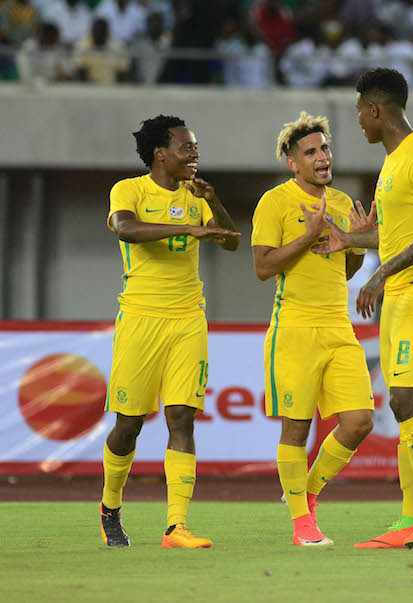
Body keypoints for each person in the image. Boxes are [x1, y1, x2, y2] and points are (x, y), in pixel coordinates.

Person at [313, 68, 413, 549]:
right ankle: (409, 518)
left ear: (375, 109)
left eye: (359, 110)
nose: (357, 119)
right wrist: (349, 239)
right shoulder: (393, 163)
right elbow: (392, 233)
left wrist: (378, 272)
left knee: (403, 398)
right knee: (403, 402)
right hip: (403, 291)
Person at [100, 115, 240, 549]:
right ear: (160, 153)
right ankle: (110, 507)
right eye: (187, 147)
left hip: (187, 320)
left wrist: (213, 202)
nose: (194, 153)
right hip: (140, 319)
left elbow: (231, 240)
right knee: (129, 426)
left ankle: (176, 526)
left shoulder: (197, 196)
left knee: (181, 417)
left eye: (195, 147)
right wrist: (188, 227)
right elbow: (126, 229)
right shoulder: (130, 190)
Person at [251, 111, 375, 547]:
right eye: (311, 152)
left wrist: (357, 241)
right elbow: (263, 267)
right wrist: (308, 236)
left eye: (325, 148)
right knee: (296, 431)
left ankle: (307, 493)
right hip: (295, 329)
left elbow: (345, 269)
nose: (322, 157)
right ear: (292, 162)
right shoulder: (274, 202)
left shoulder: (341, 201)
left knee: (360, 421)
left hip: (338, 326)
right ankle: (303, 525)